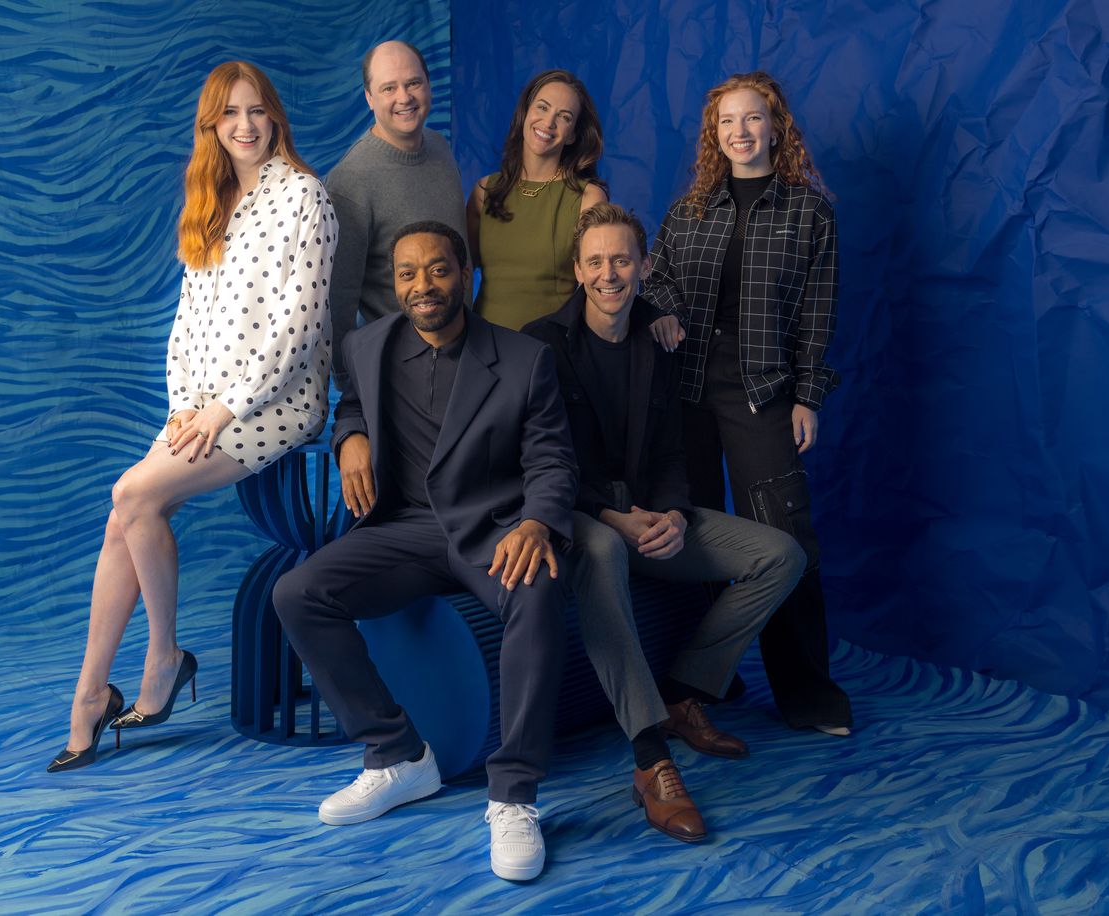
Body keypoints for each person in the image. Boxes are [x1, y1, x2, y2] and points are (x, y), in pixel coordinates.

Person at [46, 61, 337, 772]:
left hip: (277, 400)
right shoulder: (210, 204)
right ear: (211, 127)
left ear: (275, 117)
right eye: (229, 115)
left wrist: (225, 406)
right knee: (127, 513)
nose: (245, 126)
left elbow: (298, 328)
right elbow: (186, 329)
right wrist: (185, 408)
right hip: (202, 407)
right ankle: (93, 693)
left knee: (132, 495)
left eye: (257, 110)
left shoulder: (306, 198)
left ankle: (159, 658)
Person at [273, 222, 576, 882]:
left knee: (539, 592)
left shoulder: (523, 360)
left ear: (465, 276)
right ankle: (397, 756)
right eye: (407, 274)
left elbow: (552, 458)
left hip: (492, 529)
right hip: (404, 531)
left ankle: (514, 797)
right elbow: (353, 407)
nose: (422, 286)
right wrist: (349, 437)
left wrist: (537, 523)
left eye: (437, 270)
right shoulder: (367, 345)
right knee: (296, 593)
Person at [524, 203, 805, 842]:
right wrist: (609, 515)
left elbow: (676, 449)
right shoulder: (542, 343)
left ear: (644, 265)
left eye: (622, 259)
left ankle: (685, 691)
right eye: (595, 261)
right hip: (581, 514)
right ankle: (652, 757)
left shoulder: (661, 337)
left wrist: (676, 515)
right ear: (577, 269)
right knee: (601, 553)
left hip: (654, 510)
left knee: (781, 556)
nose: (609, 273)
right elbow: (543, 457)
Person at [643, 71, 852, 735]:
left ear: (774, 126)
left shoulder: (809, 213)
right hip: (685, 389)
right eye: (727, 121)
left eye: (752, 118)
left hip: (762, 390)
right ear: (715, 135)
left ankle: (807, 690)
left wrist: (807, 397)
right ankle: (707, 677)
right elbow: (660, 279)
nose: (740, 132)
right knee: (691, 530)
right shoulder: (688, 212)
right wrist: (667, 311)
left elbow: (818, 314)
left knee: (785, 536)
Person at [326, 40, 469, 385]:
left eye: (413, 83)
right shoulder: (350, 182)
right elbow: (338, 301)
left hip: (463, 352)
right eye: (389, 87)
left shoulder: (439, 146)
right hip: (402, 370)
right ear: (369, 98)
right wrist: (354, 392)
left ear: (428, 86)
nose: (404, 97)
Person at [467, 69, 607, 330]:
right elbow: (460, 274)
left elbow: (603, 286)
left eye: (564, 117)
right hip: (483, 349)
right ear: (525, 113)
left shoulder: (588, 198)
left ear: (573, 134)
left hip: (551, 352)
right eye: (542, 108)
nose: (548, 122)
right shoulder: (484, 191)